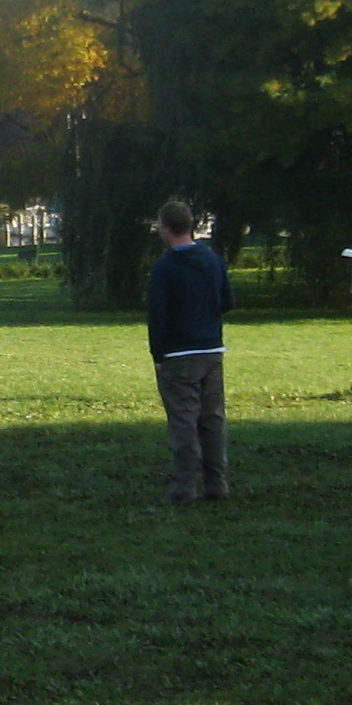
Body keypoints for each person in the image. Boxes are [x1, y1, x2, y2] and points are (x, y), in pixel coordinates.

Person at [145, 198, 232, 503]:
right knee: (212, 420)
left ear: (165, 228)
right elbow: (227, 302)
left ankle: (184, 486)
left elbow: (158, 317)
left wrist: (158, 356)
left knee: (184, 422)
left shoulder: (165, 268)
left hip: (178, 355)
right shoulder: (213, 260)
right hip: (211, 349)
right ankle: (217, 483)